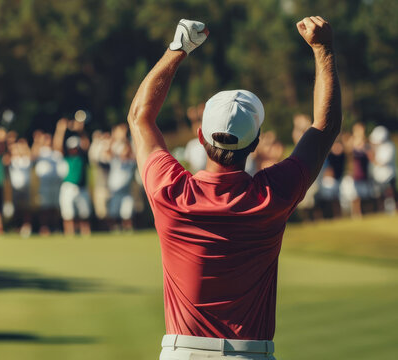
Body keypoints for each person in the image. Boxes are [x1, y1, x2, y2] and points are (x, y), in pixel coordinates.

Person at [127, 16, 340, 360]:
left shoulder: (171, 191)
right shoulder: (272, 195)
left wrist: (179, 47)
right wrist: (323, 49)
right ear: (254, 143)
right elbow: (324, 128)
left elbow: (140, 116)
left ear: (200, 137)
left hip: (182, 353)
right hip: (251, 353)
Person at [54, 118, 92, 236]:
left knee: (84, 215)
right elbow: (57, 146)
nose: (74, 149)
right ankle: (69, 235)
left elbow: (86, 145)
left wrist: (81, 131)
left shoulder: (83, 157)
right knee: (68, 214)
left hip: (82, 188)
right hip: (68, 187)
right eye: (72, 147)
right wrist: (60, 130)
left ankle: (86, 235)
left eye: (76, 147)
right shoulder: (65, 156)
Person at [31, 130, 63, 236]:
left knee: (55, 207)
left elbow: (59, 144)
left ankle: (55, 227)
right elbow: (33, 155)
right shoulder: (40, 151)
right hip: (44, 184)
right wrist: (37, 141)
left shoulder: (56, 152)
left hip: (55, 183)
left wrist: (60, 130)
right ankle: (44, 228)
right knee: (45, 207)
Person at [9, 138, 33, 237]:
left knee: (26, 209)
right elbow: (10, 150)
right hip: (15, 189)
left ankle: (26, 227)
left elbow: (30, 155)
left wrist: (25, 146)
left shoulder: (26, 160)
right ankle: (16, 227)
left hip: (25, 188)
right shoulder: (11, 160)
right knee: (16, 209)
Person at [369, 125, 396, 213]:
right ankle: (381, 210)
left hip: (388, 176)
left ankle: (392, 210)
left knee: (390, 195)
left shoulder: (389, 147)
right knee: (379, 195)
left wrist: (371, 158)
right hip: (378, 177)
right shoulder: (377, 147)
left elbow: (382, 162)